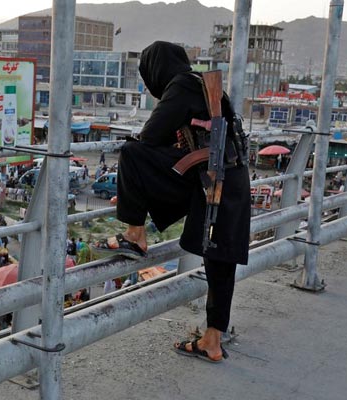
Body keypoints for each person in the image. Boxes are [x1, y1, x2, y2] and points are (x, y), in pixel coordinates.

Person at [93, 41, 250, 363]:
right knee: (220, 262)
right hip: (230, 180)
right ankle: (213, 341)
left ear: (154, 70)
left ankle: (135, 234)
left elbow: (149, 139)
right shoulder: (206, 86)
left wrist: (133, 193)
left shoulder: (181, 85)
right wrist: (131, 191)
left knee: (131, 153)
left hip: (210, 179)